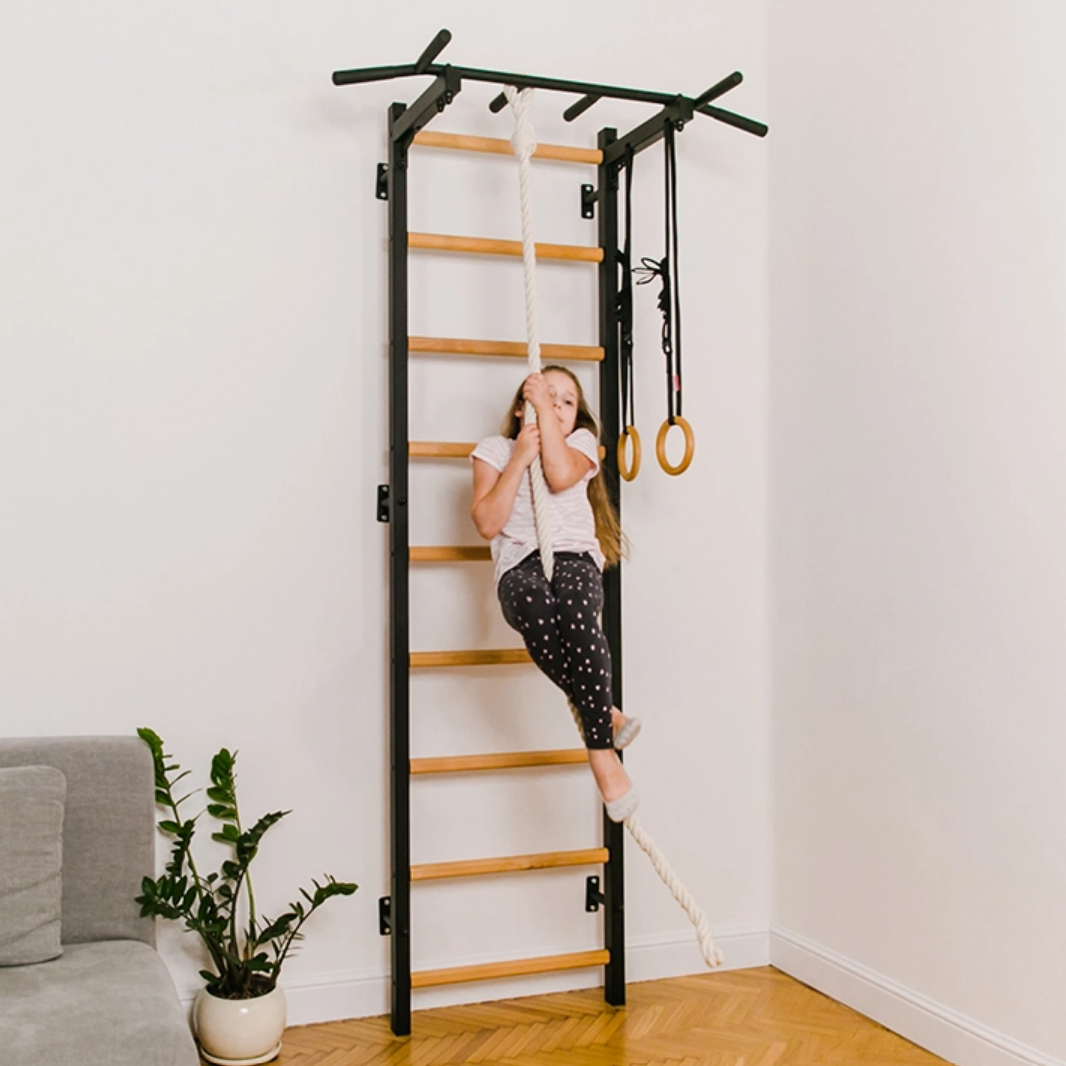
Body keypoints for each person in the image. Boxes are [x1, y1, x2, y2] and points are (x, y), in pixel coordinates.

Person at [470, 366, 641, 822]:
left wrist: (544, 418)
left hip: (573, 557)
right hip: (520, 565)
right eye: (549, 397)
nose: (559, 406)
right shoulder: (495, 451)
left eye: (567, 401)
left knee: (578, 619)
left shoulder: (582, 443)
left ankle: (602, 756)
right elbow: (488, 521)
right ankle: (605, 712)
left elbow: (561, 476)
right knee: (535, 609)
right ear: (520, 408)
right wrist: (520, 457)